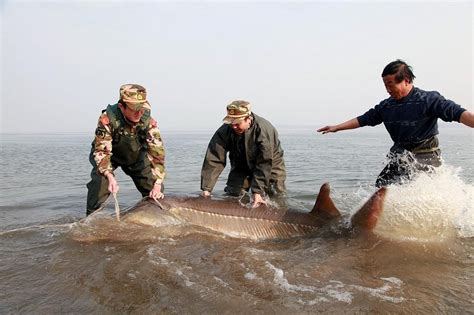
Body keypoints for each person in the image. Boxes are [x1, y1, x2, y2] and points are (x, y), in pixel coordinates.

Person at [318, 59, 474, 187]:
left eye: (390, 85)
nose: (387, 89)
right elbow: (363, 119)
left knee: (414, 188)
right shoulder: (387, 105)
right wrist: (337, 127)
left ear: (406, 80)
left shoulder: (428, 100)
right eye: (385, 85)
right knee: (382, 185)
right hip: (400, 154)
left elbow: (459, 113)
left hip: (425, 155)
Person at [86, 84, 166, 216]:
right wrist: (109, 176)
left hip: (136, 156)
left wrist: (157, 183)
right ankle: (90, 221)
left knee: (156, 190)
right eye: (135, 109)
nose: (139, 113)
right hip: (109, 156)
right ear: (121, 107)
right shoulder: (107, 120)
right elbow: (102, 152)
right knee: (99, 187)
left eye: (142, 109)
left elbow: (157, 153)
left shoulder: (148, 122)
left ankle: (152, 220)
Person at [200, 100, 286, 207]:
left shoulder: (264, 130)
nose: (234, 126)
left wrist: (257, 191)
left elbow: (264, 163)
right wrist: (207, 189)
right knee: (233, 195)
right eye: (231, 123)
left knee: (273, 199)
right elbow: (214, 158)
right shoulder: (225, 130)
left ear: (248, 119)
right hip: (241, 166)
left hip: (270, 166)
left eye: (237, 123)